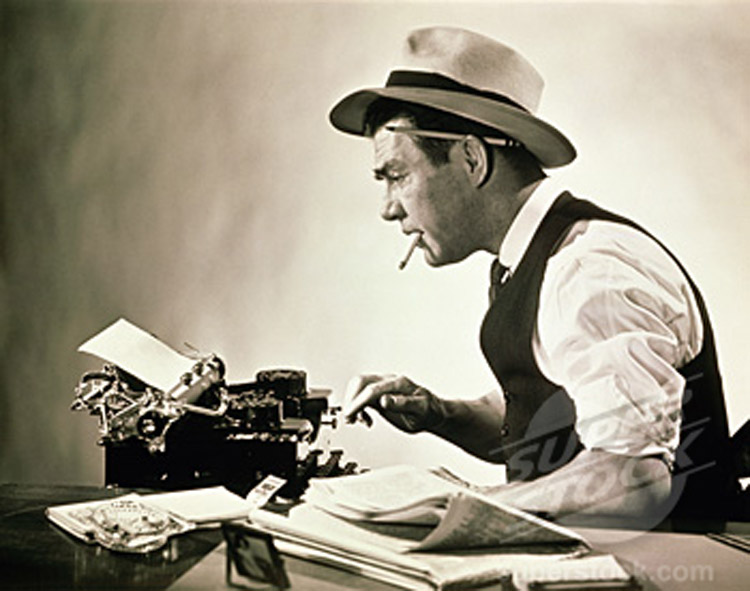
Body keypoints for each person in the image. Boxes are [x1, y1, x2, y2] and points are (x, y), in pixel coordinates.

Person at [329, 26, 734, 522]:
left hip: (675, 558)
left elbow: (633, 477)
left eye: (396, 176)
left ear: (472, 158)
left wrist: (469, 507)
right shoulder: (528, 257)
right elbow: (550, 425)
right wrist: (438, 413)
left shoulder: (586, 268)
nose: (388, 208)